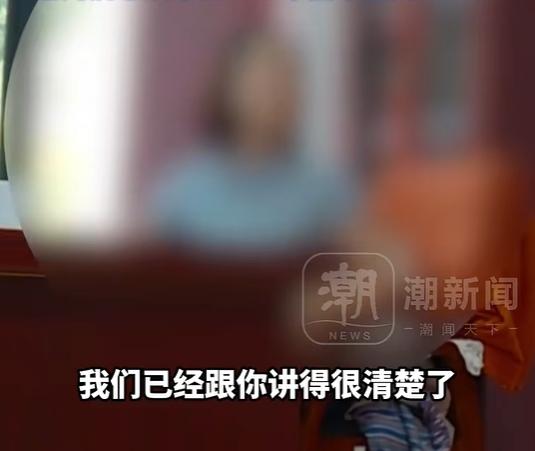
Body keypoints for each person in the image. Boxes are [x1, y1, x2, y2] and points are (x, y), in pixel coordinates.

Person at [151, 32, 355, 256]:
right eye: (265, 81)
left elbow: (358, 262)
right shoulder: (185, 191)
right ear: (229, 89)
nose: (277, 94)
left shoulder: (325, 191)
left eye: (288, 81)